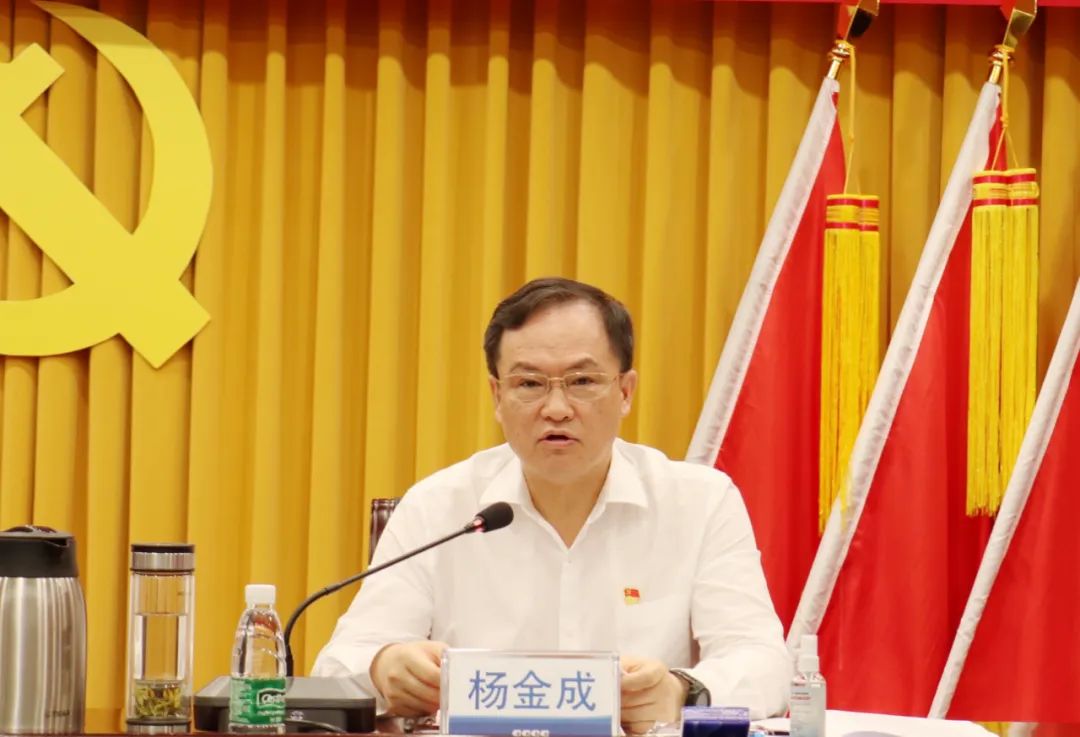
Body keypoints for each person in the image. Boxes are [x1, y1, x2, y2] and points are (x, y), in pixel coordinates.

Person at [312, 277, 791, 726]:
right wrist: (384, 667)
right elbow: (337, 666)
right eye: (529, 384)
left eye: (582, 382)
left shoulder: (700, 503)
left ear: (625, 392)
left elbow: (764, 661)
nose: (557, 409)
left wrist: (683, 692)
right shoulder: (439, 508)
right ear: (497, 395)